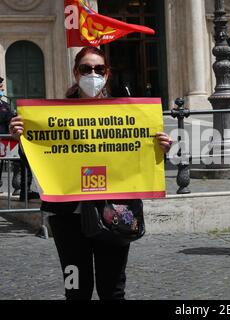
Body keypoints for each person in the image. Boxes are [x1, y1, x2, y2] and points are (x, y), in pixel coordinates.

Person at [9, 47, 173, 300]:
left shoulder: (129, 113)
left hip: (116, 213)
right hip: (67, 219)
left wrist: (161, 148)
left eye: (99, 69)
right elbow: (36, 159)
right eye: (86, 68)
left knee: (113, 290)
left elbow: (139, 155)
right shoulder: (52, 116)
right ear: (76, 73)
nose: (92, 74)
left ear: (107, 73)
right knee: (75, 289)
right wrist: (22, 139)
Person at [0, 77, 13, 188]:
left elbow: (9, 120)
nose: (2, 89)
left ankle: (19, 187)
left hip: (4, 142)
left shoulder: (5, 104)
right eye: (0, 87)